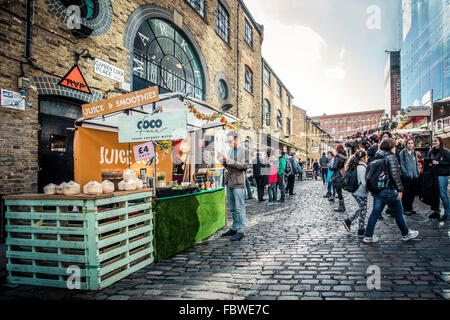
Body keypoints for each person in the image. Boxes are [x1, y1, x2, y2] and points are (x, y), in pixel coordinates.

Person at [363, 138, 419, 244]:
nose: (395, 149)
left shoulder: (376, 157)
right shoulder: (391, 157)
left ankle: (368, 236)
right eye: (394, 147)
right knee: (398, 212)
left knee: (375, 213)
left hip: (378, 190)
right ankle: (405, 234)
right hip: (389, 189)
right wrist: (400, 190)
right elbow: (395, 175)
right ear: (391, 147)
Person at [221, 131, 250, 241]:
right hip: (229, 181)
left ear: (236, 139)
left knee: (239, 207)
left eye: (230, 141)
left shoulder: (245, 150)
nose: (228, 143)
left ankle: (240, 230)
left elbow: (245, 166)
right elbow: (228, 166)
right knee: (232, 207)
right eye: (227, 141)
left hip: (238, 182)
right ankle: (234, 227)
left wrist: (229, 161)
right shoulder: (230, 150)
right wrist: (223, 161)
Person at [342, 150, 368, 237]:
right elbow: (364, 182)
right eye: (366, 157)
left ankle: (350, 222)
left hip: (356, 191)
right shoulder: (362, 167)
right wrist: (370, 190)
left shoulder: (356, 165)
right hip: (360, 191)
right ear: (363, 158)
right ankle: (360, 229)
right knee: (363, 210)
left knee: (362, 209)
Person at [427, 137, 450, 222]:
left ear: (440, 142)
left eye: (436, 140)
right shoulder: (431, 151)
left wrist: (439, 163)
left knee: (443, 194)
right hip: (433, 175)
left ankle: (447, 213)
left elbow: (449, 162)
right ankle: (436, 211)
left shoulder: (445, 151)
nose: (434, 142)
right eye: (433, 141)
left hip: (442, 175)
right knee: (435, 194)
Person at [398, 138, 420, 215]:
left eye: (411, 143)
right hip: (406, 177)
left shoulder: (414, 153)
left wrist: (417, 173)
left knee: (412, 193)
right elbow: (401, 165)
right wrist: (406, 173)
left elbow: (416, 164)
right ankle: (405, 208)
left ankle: (410, 207)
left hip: (414, 177)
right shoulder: (402, 153)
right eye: (409, 143)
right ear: (406, 144)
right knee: (406, 193)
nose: (410, 145)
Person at [331, 145, 348, 212]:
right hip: (342, 174)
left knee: (339, 191)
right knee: (339, 191)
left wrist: (330, 167)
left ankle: (342, 206)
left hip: (337, 175)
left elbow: (334, 167)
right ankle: (342, 206)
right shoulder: (345, 157)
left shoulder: (337, 157)